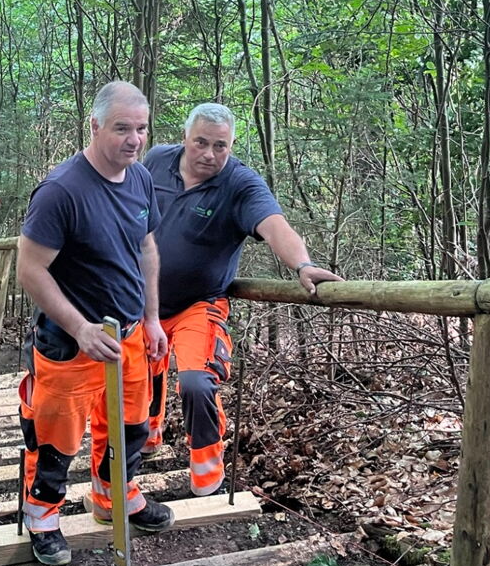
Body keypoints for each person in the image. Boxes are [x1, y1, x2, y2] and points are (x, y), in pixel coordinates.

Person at [143, 102, 342, 497]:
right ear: (185, 137)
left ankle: (206, 469)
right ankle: (147, 436)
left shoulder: (240, 183)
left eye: (221, 146)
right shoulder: (154, 161)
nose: (210, 154)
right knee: (138, 376)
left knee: (198, 383)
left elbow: (274, 225)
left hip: (199, 304)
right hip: (141, 300)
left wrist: (303, 264)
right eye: (201, 142)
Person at [16, 80, 176, 566]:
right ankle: (43, 516)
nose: (133, 139)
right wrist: (82, 327)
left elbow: (146, 250)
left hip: (128, 334)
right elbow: (31, 269)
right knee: (58, 435)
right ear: (95, 126)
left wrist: (151, 319)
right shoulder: (61, 190)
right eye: (122, 128)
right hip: (70, 340)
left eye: (141, 129)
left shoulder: (141, 179)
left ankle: (115, 497)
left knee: (129, 426)